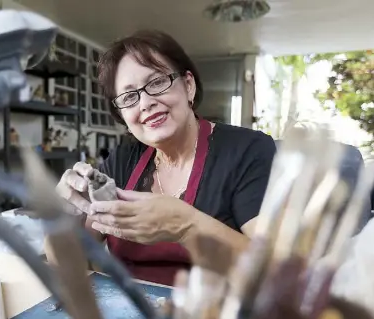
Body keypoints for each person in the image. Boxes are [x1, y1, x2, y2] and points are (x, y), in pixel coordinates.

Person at [54, 30, 276, 285]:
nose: (145, 103)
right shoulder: (125, 158)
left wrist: (186, 226)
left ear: (189, 85)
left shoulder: (247, 150)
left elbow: (275, 274)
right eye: (129, 97)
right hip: (128, 315)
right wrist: (64, 214)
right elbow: (65, 261)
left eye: (157, 82)